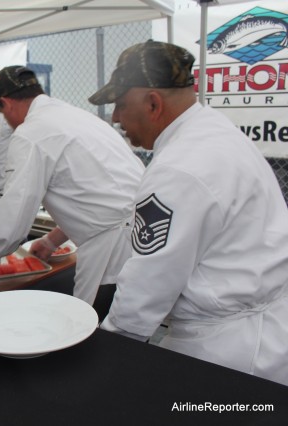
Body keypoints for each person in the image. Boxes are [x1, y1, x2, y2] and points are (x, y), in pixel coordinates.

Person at [89, 40, 288, 386]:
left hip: (224, 352)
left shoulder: (177, 169)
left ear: (153, 103)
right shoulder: (216, 131)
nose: (116, 118)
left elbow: (148, 286)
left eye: (120, 105)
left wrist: (109, 354)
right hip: (267, 329)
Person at [0, 66, 144, 315]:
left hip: (113, 249)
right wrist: (51, 240)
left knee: (96, 334)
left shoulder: (31, 133)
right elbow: (93, 196)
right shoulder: (74, 115)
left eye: (3, 114)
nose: (8, 122)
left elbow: (9, 225)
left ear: (5, 102)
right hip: (144, 235)